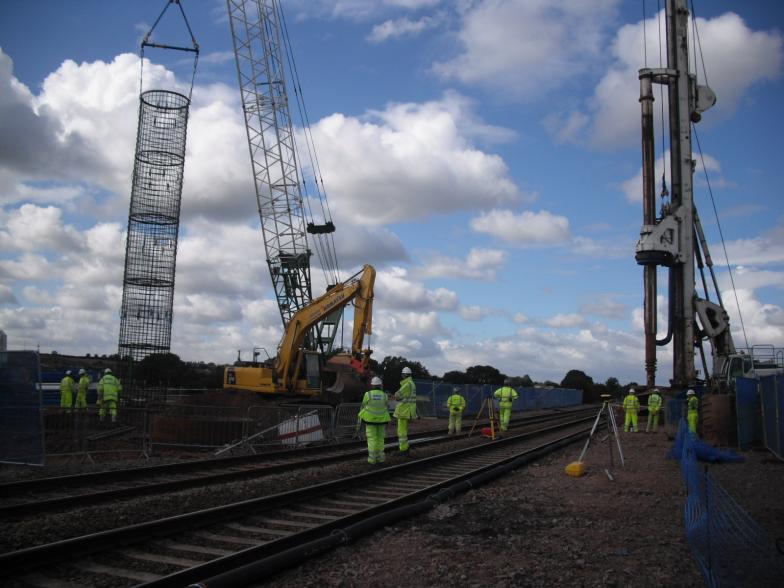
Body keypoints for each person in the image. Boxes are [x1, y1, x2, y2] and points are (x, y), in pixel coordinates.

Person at [359, 376, 391, 465]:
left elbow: (363, 406)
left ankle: (372, 459)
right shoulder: (385, 395)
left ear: (372, 385)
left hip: (370, 421)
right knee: (380, 439)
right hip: (382, 420)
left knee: (372, 439)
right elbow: (386, 407)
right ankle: (380, 458)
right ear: (380, 385)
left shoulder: (368, 394)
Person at [393, 366, 417, 455]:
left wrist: (395, 395)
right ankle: (405, 447)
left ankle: (403, 449)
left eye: (402, 374)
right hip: (408, 410)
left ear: (404, 375)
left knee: (401, 431)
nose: (402, 376)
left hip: (404, 410)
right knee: (404, 430)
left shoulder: (407, 384)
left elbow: (397, 395)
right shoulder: (412, 383)